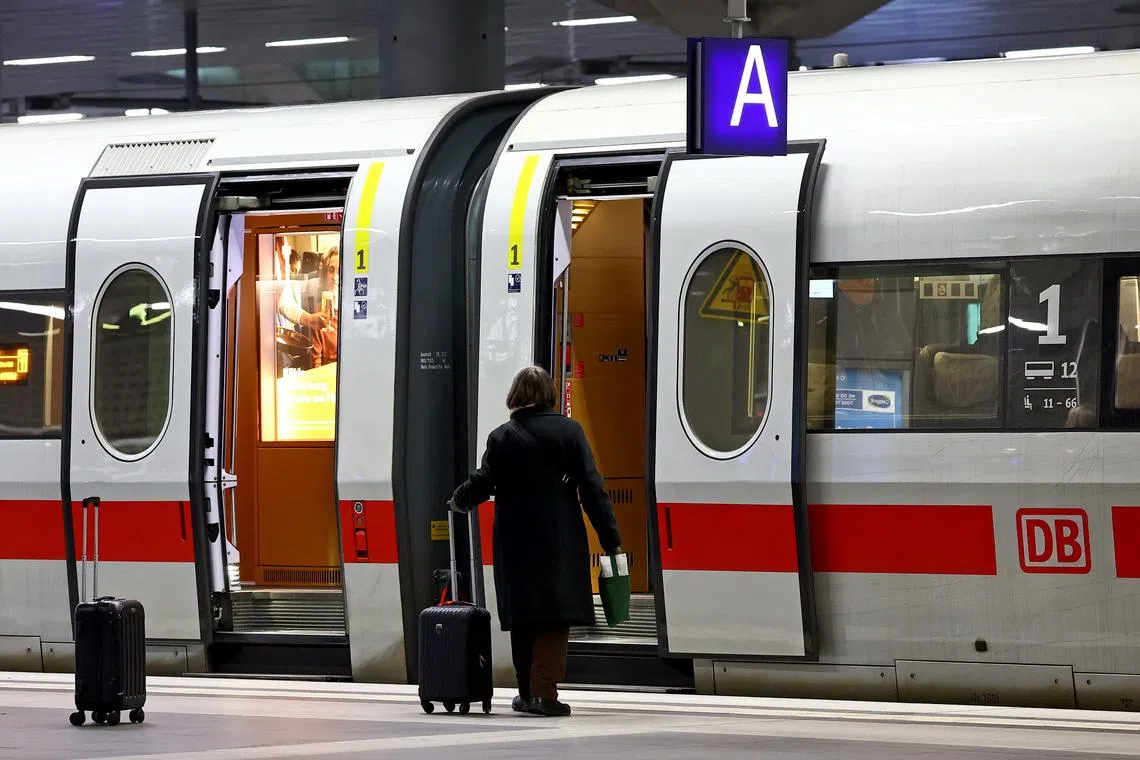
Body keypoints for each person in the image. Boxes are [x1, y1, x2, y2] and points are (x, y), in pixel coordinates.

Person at [449, 365, 621, 717]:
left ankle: (526, 693)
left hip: (515, 541)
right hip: (558, 540)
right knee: (554, 618)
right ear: (549, 395)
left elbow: (482, 482)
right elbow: (592, 488)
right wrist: (610, 538)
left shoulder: (502, 437)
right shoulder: (570, 432)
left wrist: (459, 499)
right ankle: (544, 693)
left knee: (523, 615)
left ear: (515, 396)